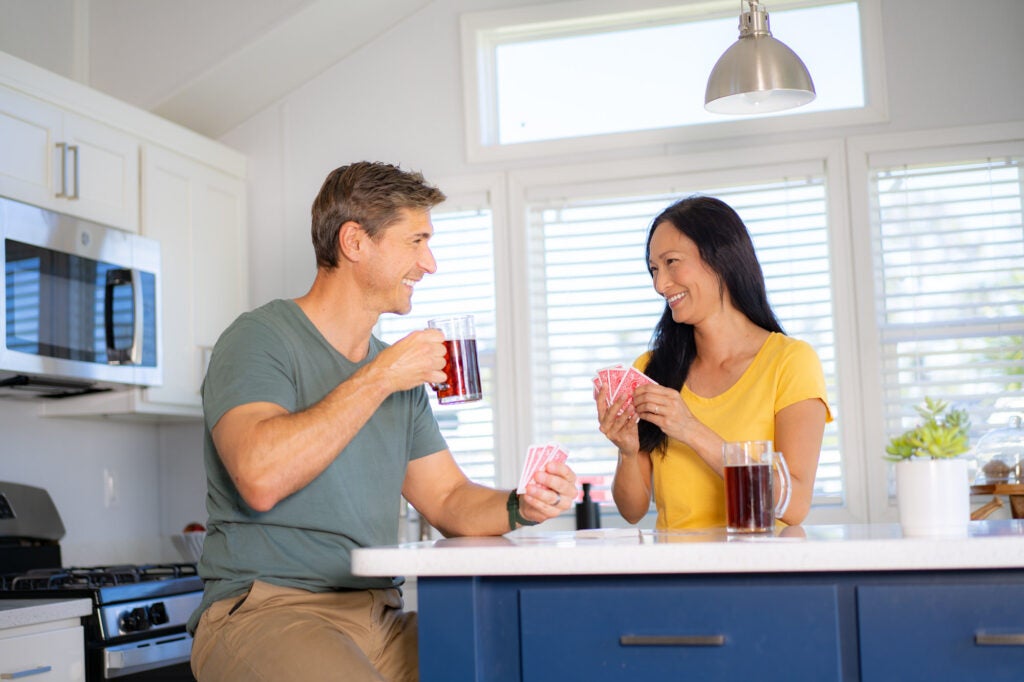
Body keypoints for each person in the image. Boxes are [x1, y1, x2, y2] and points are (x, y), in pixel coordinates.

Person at [188, 161, 577, 682]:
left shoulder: (395, 374)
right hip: (269, 612)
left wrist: (521, 504)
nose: (429, 263)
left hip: (378, 616)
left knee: (519, 663)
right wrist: (379, 377)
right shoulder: (259, 339)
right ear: (354, 242)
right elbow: (260, 478)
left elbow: (449, 500)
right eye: (415, 241)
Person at [595, 195, 831, 530]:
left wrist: (690, 428)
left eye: (671, 262)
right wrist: (628, 452)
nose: (660, 285)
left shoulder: (790, 362)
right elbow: (631, 511)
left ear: (720, 258)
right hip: (675, 572)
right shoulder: (652, 368)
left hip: (759, 572)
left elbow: (794, 506)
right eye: (654, 269)